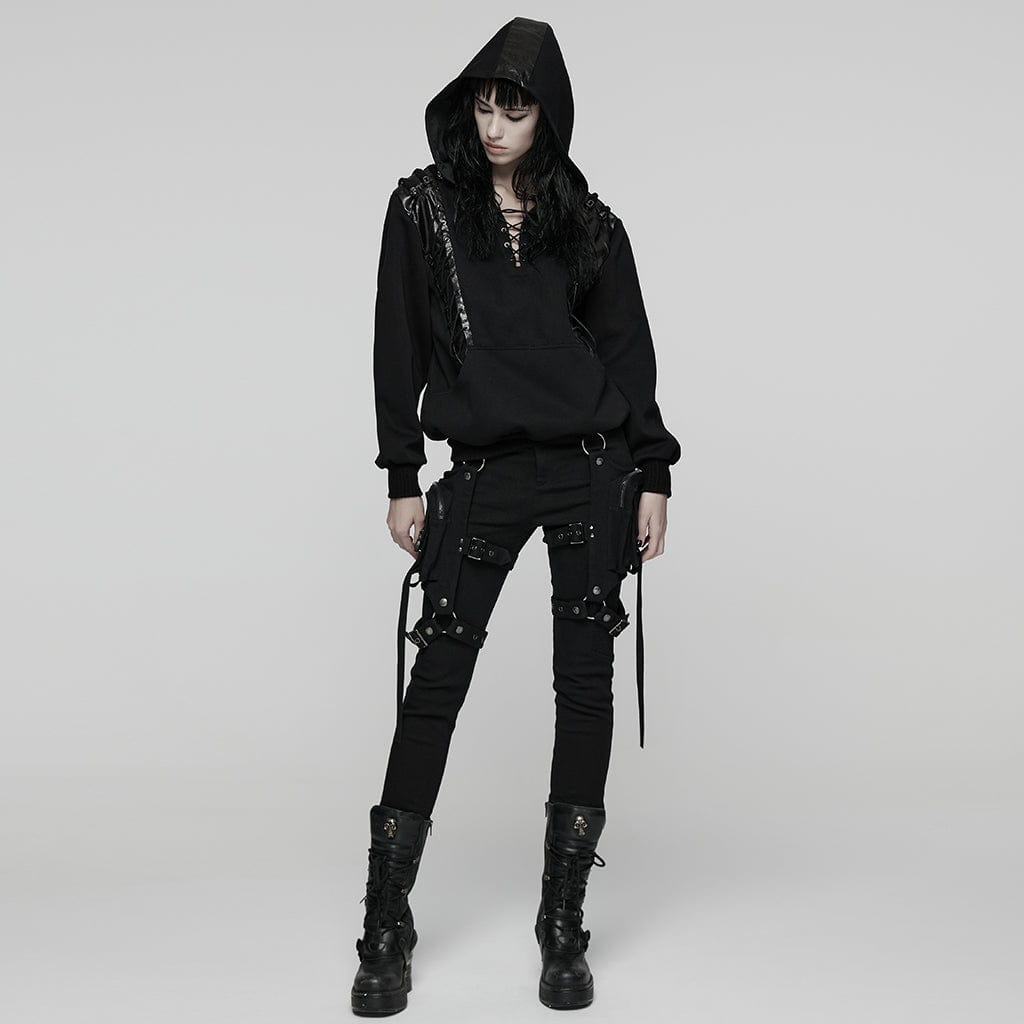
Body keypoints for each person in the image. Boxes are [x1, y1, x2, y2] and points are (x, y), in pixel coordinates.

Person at [352, 16, 682, 1016]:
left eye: (516, 108)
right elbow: (396, 345)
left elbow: (627, 353)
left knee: (584, 688)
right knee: (436, 684)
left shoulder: (589, 223)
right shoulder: (423, 209)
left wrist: (654, 471)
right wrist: (403, 474)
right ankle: (386, 918)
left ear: (550, 116)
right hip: (484, 472)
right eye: (484, 105)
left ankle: (561, 918)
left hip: (589, 471)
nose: (494, 126)